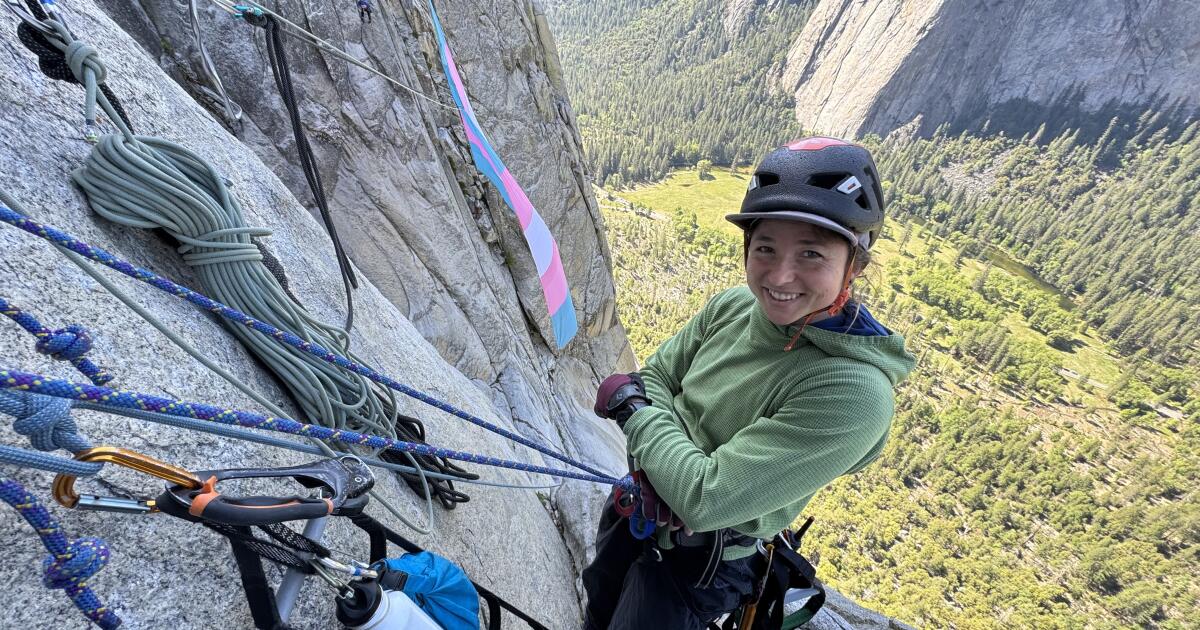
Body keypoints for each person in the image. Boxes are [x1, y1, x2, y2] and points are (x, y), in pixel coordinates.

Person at [583, 137, 916, 629]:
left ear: (855, 264)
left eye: (811, 254)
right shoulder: (734, 307)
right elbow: (653, 376)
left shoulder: (854, 393)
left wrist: (635, 413)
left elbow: (704, 497)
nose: (781, 275)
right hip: (636, 512)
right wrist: (667, 468)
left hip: (702, 565)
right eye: (766, 247)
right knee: (596, 607)